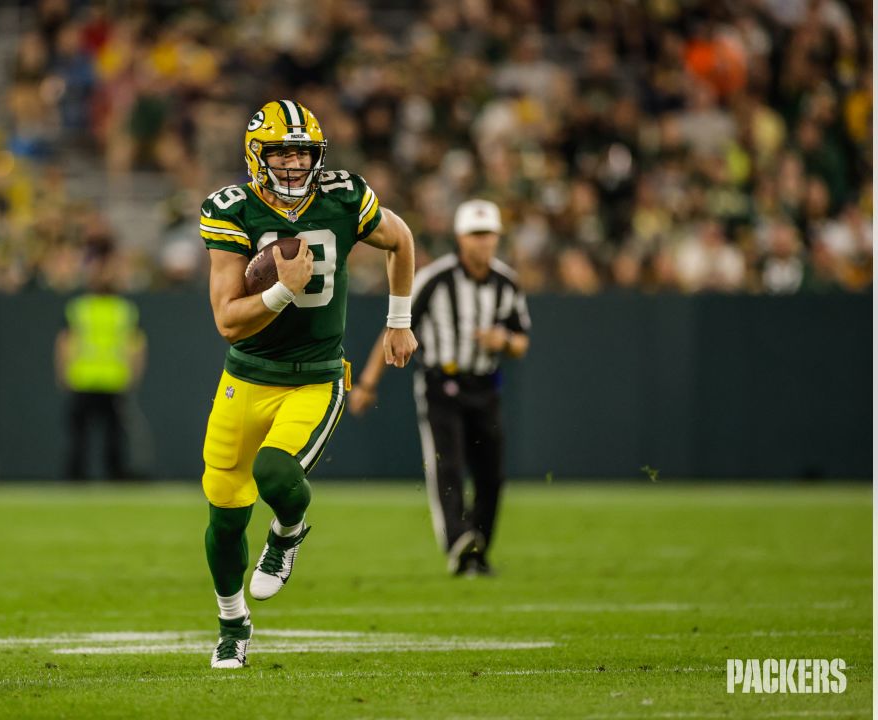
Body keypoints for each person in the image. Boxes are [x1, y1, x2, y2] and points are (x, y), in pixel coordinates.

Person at [199, 100, 418, 669]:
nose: (295, 164)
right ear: (257, 155)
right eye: (282, 151)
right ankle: (232, 620)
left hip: (316, 377)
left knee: (275, 472)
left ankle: (288, 533)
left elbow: (402, 240)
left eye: (303, 152)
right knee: (224, 518)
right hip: (245, 377)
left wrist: (399, 322)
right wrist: (280, 290)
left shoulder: (344, 197)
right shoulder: (233, 210)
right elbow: (227, 320)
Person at [348, 199, 530, 577]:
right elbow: (395, 326)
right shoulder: (436, 278)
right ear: (461, 238)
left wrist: (504, 342)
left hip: (485, 385)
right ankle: (457, 540)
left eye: (488, 234)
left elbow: (521, 339)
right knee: (447, 465)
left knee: (491, 474)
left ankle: (477, 545)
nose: (483, 242)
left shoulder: (506, 281)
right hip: (440, 384)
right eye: (476, 235)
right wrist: (367, 383)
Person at [54, 252, 146, 480]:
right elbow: (137, 346)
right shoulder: (123, 309)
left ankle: (78, 475)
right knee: (105, 435)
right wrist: (134, 374)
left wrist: (63, 372)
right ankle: (109, 474)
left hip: (90, 379)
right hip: (105, 380)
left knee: (88, 434)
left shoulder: (80, 307)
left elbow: (64, 343)